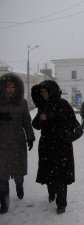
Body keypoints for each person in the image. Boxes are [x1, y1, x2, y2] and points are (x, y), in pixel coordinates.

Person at [31, 80, 77, 214]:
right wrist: (41, 118)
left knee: (61, 175)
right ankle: (51, 192)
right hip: (46, 145)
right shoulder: (42, 106)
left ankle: (61, 203)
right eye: (42, 92)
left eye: (45, 91)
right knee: (48, 172)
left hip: (62, 145)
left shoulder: (63, 104)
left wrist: (53, 116)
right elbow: (36, 125)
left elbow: (72, 122)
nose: (43, 94)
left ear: (51, 91)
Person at [0, 73, 35, 214]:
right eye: (7, 87)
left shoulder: (22, 102)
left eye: (12, 87)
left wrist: (30, 137)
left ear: (17, 88)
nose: (10, 89)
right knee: (1, 176)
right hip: (1, 144)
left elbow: (26, 121)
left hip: (17, 143)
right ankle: (4, 202)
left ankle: (19, 186)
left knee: (18, 174)